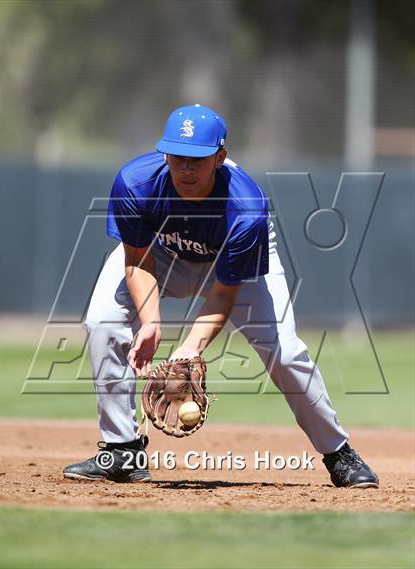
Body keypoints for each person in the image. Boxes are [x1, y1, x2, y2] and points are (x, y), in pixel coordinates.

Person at [63, 104, 379, 488]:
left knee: (286, 351)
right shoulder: (136, 183)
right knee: (102, 323)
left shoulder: (246, 210)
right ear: (165, 154)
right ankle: (122, 451)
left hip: (230, 262)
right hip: (160, 254)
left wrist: (189, 349)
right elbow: (135, 262)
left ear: (220, 157)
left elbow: (224, 296)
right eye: (178, 158)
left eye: (198, 159)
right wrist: (151, 322)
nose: (187, 169)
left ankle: (339, 453)